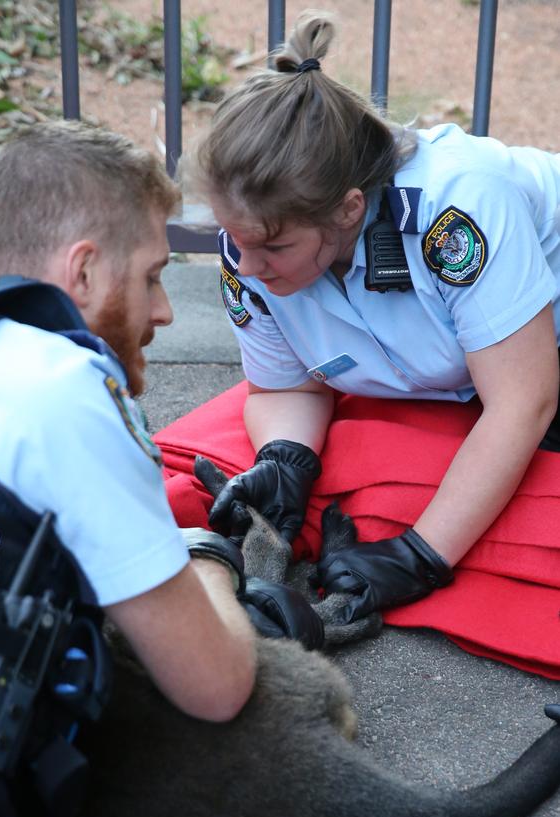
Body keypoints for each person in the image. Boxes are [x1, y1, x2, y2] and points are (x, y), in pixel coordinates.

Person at [0, 120, 322, 817]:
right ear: (84, 271)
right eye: (153, 276)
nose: (163, 310)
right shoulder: (64, 386)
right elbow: (216, 685)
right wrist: (212, 562)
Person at [182, 9, 560, 623]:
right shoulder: (252, 241)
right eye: (236, 240)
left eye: (273, 248)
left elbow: (523, 403)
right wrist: (284, 460)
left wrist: (419, 556)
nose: (247, 267)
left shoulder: (459, 208)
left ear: (349, 209)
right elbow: (287, 384)